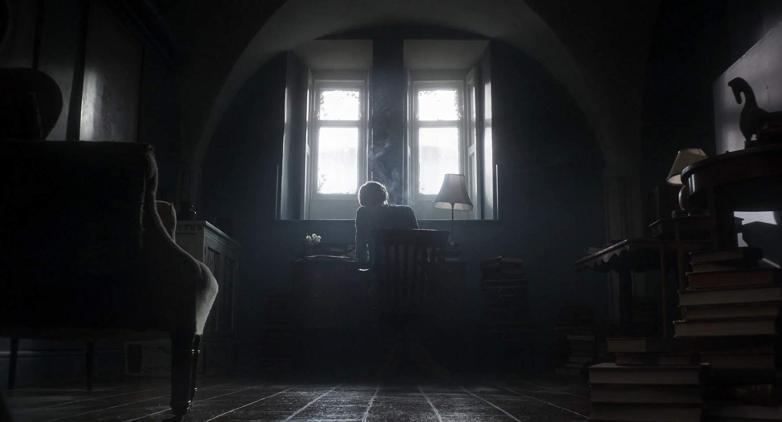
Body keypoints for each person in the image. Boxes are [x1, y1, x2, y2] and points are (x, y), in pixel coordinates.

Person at [354, 181, 418, 266]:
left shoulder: (363, 213)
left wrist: (362, 264)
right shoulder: (407, 211)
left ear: (363, 198)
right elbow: (418, 239)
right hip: (408, 266)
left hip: (379, 266)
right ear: (383, 195)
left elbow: (360, 244)